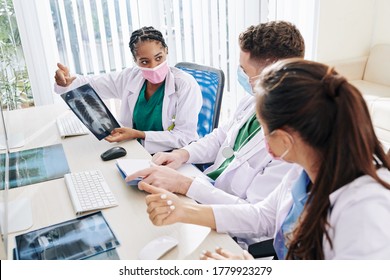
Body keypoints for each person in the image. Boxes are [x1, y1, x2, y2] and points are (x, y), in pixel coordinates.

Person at [140, 58, 390, 259]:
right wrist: (183, 212)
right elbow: (264, 216)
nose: (261, 137)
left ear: (285, 138)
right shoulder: (306, 166)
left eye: (263, 128)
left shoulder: (364, 212)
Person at [127, 21, 305, 210]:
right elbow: (220, 137)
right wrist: (182, 154)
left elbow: (255, 216)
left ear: (270, 77)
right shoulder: (252, 102)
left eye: (244, 71)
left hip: (231, 227)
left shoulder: (292, 143)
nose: (240, 76)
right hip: (205, 190)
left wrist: (183, 185)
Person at [54, 26, 202, 154]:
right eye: (144, 61)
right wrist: (65, 82)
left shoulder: (185, 85)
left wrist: (139, 134)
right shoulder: (131, 77)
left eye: (158, 58)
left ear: (166, 51)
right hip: (136, 151)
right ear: (135, 60)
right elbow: (90, 84)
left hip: (173, 156)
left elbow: (185, 137)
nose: (153, 66)